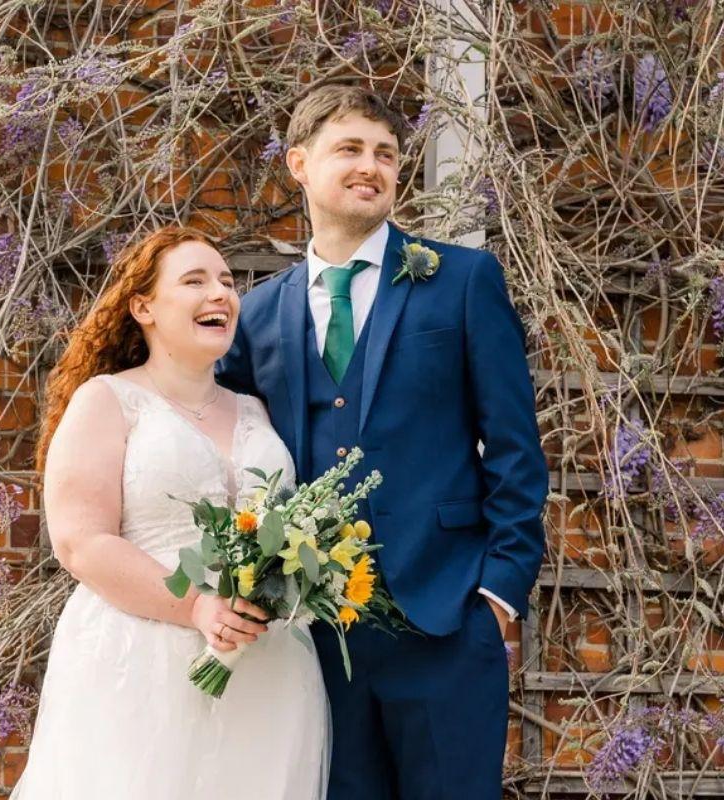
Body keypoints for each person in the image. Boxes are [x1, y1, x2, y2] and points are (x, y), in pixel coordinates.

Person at [216, 84, 548, 799]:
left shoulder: (460, 281)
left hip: (447, 620)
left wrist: (498, 594)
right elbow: (222, 442)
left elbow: (516, 448)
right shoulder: (261, 312)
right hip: (311, 640)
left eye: (387, 154)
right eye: (350, 149)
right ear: (299, 164)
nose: (372, 166)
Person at [12, 227, 329, 799]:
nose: (221, 294)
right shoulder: (108, 400)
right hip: (139, 661)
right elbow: (79, 542)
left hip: (265, 670)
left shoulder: (255, 409)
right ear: (144, 307)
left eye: (228, 283)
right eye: (195, 281)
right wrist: (199, 606)